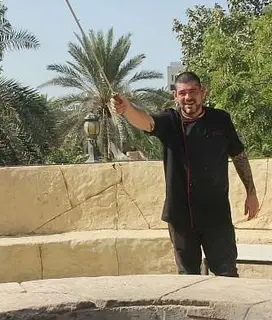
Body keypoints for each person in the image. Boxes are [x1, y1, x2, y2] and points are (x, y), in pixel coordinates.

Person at [111, 71, 259, 276]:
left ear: (202, 92)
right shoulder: (169, 121)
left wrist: (251, 192)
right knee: (187, 275)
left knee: (227, 273)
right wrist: (127, 109)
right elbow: (146, 121)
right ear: (175, 96)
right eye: (182, 93)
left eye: (193, 91)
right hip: (181, 216)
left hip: (216, 215)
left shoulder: (220, 120)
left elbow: (239, 155)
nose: (188, 97)